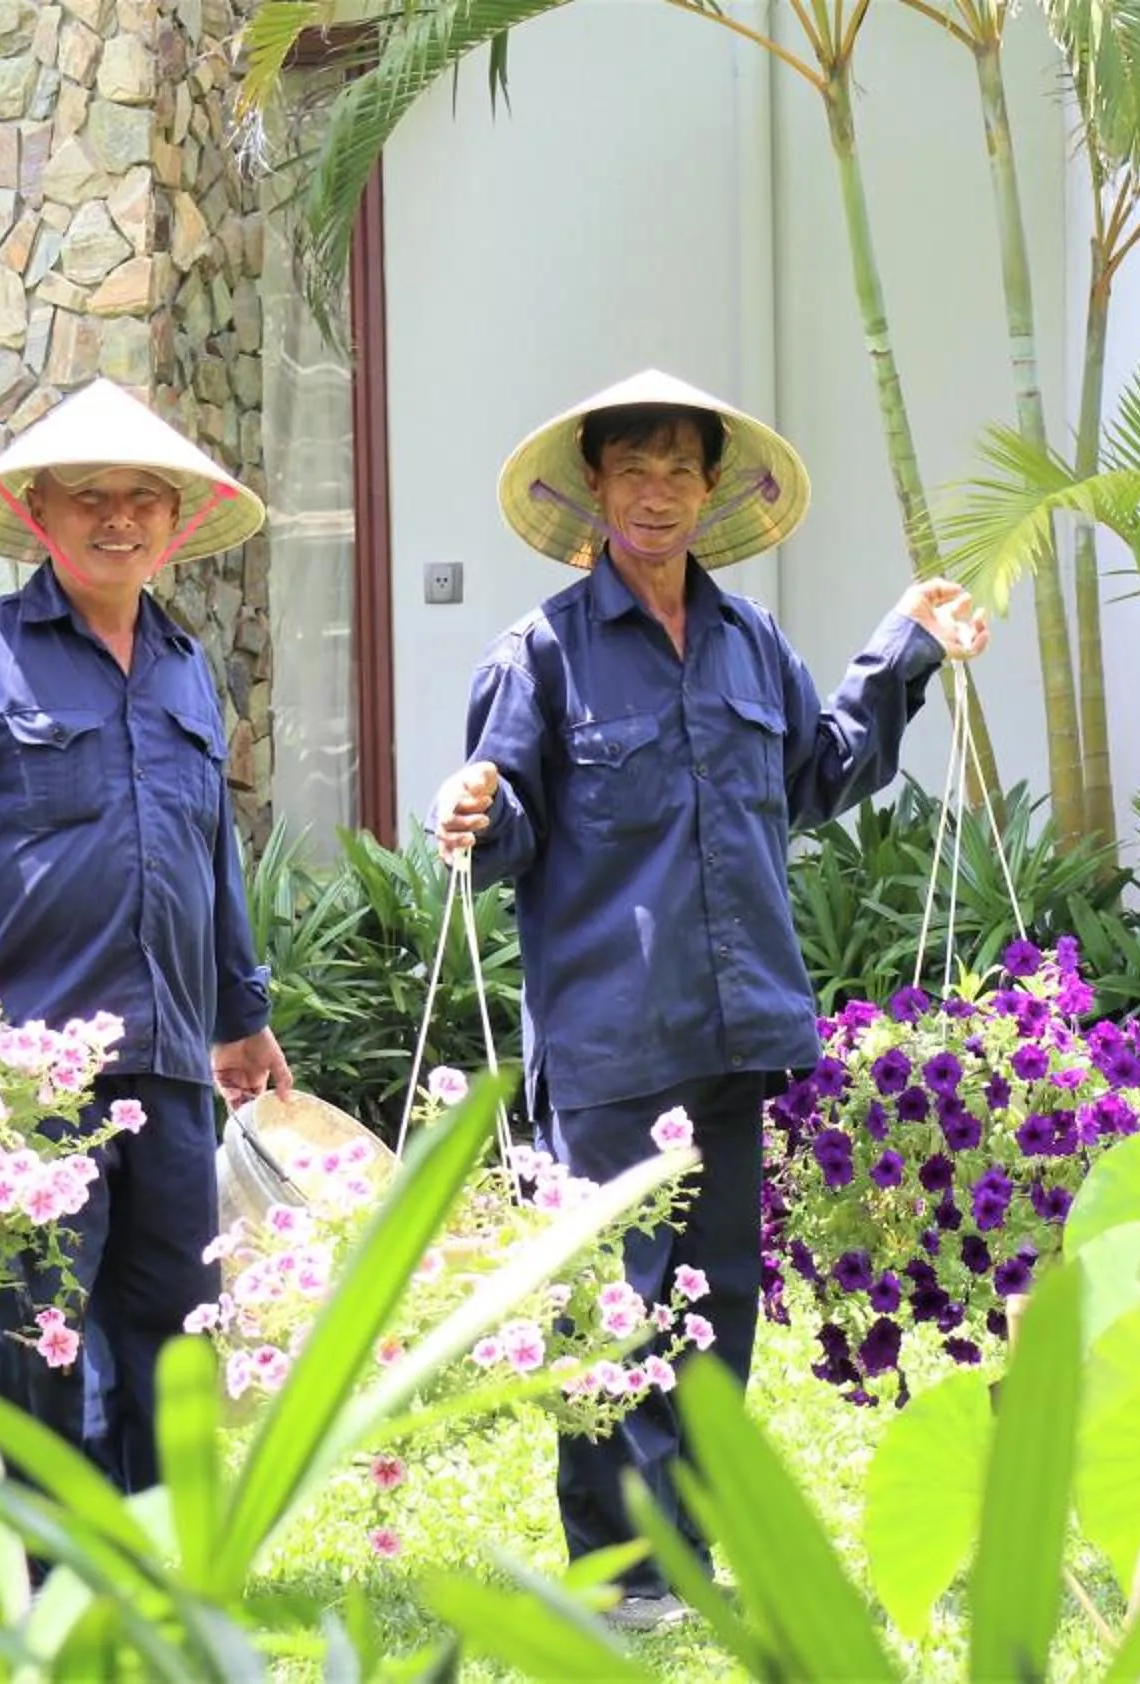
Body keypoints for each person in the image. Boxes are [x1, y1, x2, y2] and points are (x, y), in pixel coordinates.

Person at [433, 370, 990, 1627]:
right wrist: (471, 809)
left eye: (679, 469)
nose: (656, 493)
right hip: (611, 1040)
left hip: (739, 1031)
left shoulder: (751, 645)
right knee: (614, 1309)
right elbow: (503, 821)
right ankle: (620, 1571)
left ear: (710, 489)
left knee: (715, 1307)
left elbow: (820, 773)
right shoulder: (540, 654)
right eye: (631, 469)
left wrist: (905, 643)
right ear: (595, 489)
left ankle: (683, 1558)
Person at [0, 377, 294, 1495]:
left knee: (171, 1322)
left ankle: (148, 1551)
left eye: (142, 498)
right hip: (25, 1065)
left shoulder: (185, 665)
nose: (117, 518)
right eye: (90, 496)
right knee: (26, 1326)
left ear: (174, 518)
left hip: (167, 1059)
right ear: (38, 510)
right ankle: (21, 1560)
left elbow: (211, 857)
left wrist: (240, 1016)